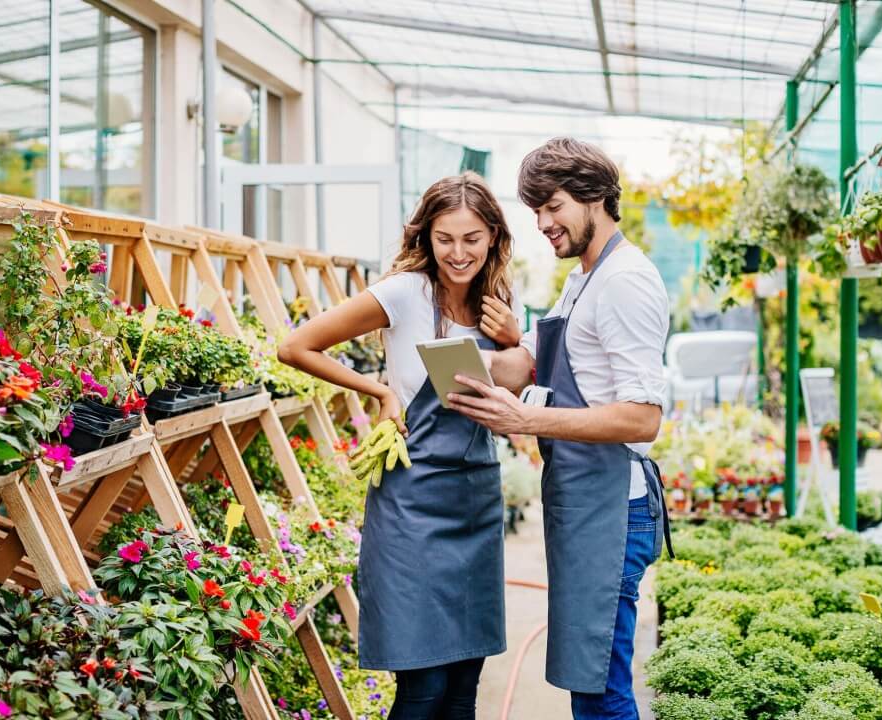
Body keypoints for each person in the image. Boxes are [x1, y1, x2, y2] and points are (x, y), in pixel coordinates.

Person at [277, 172, 523, 719]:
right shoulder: (403, 292)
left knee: (463, 687)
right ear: (426, 237)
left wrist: (514, 339)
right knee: (425, 688)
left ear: (494, 238)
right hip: (414, 505)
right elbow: (296, 346)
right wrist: (379, 388)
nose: (458, 253)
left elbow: (523, 384)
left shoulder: (499, 301)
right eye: (445, 239)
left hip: (476, 501)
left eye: (472, 239)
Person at [447, 138, 674, 720]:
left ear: (596, 195)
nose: (543, 224)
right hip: (582, 500)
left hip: (611, 507)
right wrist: (457, 355)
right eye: (535, 211)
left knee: (600, 689)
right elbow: (533, 362)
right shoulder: (585, 276)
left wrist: (526, 418)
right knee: (584, 678)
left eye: (553, 207)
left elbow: (643, 418)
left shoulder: (625, 280)